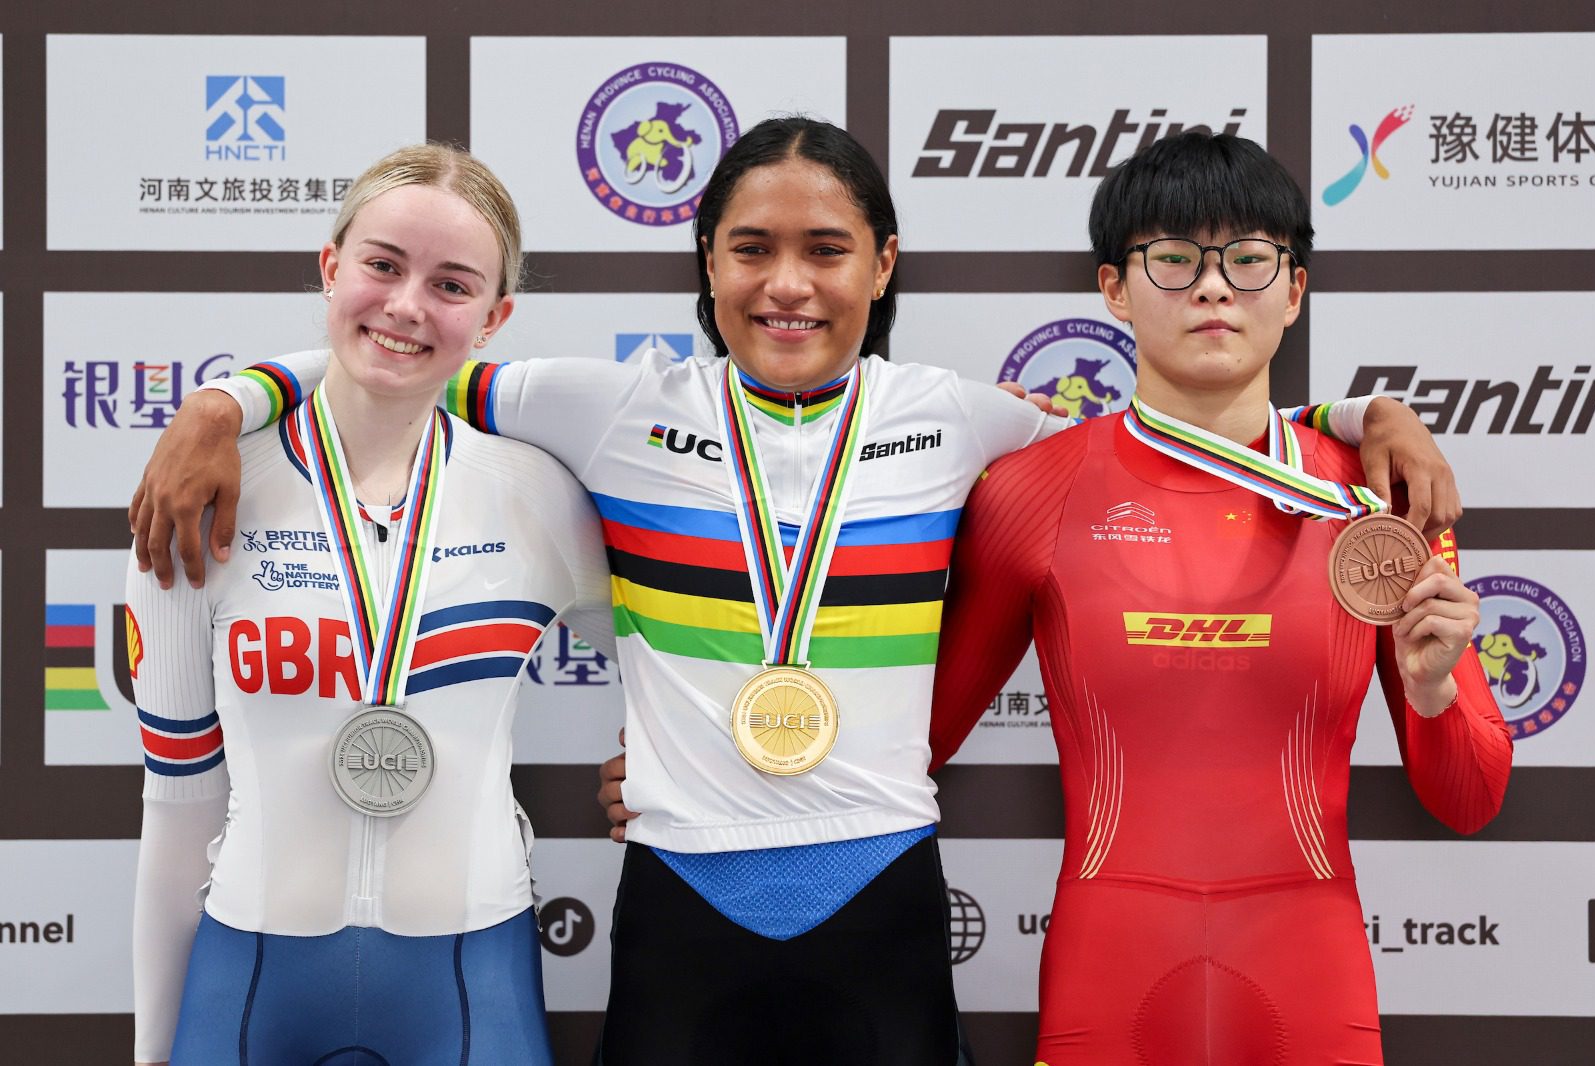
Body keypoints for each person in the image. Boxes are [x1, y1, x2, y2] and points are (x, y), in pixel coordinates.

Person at [129, 118, 1458, 1066]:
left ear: (882, 267)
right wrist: (227, 396)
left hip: (880, 902)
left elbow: (1170, 428)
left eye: (827, 248)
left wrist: (1366, 410)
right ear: (704, 263)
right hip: (677, 909)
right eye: (750, 246)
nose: (787, 282)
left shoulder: (967, 422)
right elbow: (399, 354)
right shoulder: (600, 408)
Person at [925, 132, 1513, 1065]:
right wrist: (695, 775)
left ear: (1294, 289)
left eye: (1247, 258)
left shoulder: (1381, 500)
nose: (1212, 288)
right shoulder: (1030, 493)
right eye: (1173, 258)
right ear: (1114, 288)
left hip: (1308, 964)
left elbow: (1472, 799)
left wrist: (1435, 694)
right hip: (1108, 966)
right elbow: (913, 744)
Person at [128, 144, 613, 1066]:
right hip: (251, 980)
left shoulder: (538, 496)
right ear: (331, 265)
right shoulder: (200, 491)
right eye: (383, 265)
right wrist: (152, 1049)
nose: (404, 305)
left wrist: (682, 772)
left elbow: (685, 662)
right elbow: (177, 804)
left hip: (477, 980)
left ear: (495, 316)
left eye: (452, 284)